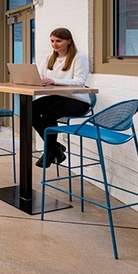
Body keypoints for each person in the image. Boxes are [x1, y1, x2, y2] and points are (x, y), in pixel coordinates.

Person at [32, 27, 91, 170]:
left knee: (48, 114)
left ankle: (50, 151)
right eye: (52, 41)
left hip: (78, 100)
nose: (54, 44)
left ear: (69, 41)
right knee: (30, 109)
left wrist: (53, 80)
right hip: (58, 97)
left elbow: (80, 81)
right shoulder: (49, 58)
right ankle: (54, 147)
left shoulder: (79, 57)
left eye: (59, 41)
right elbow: (39, 76)